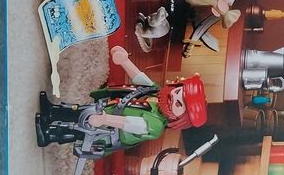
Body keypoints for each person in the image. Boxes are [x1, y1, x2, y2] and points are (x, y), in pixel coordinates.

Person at [35, 46, 207, 151]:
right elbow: (139, 78)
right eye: (178, 92)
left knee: (82, 131)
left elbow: (128, 123)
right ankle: (52, 112)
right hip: (108, 109)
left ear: (180, 119)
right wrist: (124, 61)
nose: (173, 97)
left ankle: (50, 134)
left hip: (109, 130)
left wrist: (106, 119)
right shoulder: (156, 93)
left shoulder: (155, 126)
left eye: (179, 104)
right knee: (80, 111)